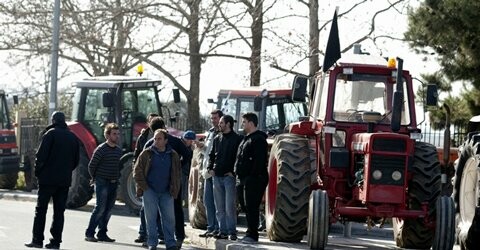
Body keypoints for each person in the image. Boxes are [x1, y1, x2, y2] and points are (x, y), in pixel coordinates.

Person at [25, 111, 80, 249]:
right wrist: (66, 172)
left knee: (41, 210)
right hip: (64, 181)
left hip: (47, 180)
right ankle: (55, 242)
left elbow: (40, 156)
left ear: (53, 120)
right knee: (59, 212)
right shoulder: (73, 137)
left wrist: (38, 173)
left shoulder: (50, 134)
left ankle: (37, 240)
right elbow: (76, 161)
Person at [143, 117, 192, 248]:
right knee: (163, 213)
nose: (156, 140)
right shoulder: (151, 145)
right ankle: (165, 238)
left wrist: (176, 168)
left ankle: (170, 239)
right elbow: (140, 165)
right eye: (155, 136)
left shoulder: (172, 143)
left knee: (165, 214)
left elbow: (187, 155)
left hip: (170, 185)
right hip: (158, 185)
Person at [134, 129, 181, 250]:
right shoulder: (147, 153)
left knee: (169, 219)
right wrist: (144, 187)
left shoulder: (173, 155)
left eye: (159, 138)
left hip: (167, 192)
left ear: (166, 140)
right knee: (150, 219)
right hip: (150, 191)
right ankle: (152, 243)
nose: (156, 141)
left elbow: (177, 173)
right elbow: (137, 171)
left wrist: (174, 188)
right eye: (155, 138)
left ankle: (170, 243)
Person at [84, 123, 122, 243]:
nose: (117, 136)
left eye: (118, 134)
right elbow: (91, 166)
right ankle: (90, 233)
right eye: (114, 134)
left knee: (108, 209)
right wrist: (94, 178)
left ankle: (102, 233)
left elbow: (118, 167)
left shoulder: (118, 151)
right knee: (100, 208)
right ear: (107, 135)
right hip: (102, 182)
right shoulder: (101, 149)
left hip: (113, 182)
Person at [234, 112, 269, 244]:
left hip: (254, 179)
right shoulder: (246, 138)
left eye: (244, 122)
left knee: (252, 206)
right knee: (245, 206)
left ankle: (252, 234)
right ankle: (250, 231)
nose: (242, 124)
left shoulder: (258, 139)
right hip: (243, 178)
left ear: (250, 123)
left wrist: (251, 176)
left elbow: (259, 161)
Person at [209, 115, 242, 240]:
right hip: (216, 177)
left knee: (230, 207)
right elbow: (212, 155)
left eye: (221, 122)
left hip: (229, 178)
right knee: (219, 207)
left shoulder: (238, 139)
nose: (219, 124)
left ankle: (231, 232)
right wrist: (210, 168)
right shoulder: (217, 138)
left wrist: (234, 172)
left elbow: (240, 158)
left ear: (228, 124)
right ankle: (222, 231)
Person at [198, 109, 223, 238]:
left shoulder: (223, 134)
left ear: (221, 119)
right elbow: (208, 153)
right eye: (211, 118)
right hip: (207, 172)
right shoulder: (210, 133)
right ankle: (211, 227)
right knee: (207, 201)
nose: (213, 120)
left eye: (215, 118)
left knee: (217, 202)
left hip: (216, 173)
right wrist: (201, 147)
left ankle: (219, 228)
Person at [180, 130, 196, 205]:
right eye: (190, 140)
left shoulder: (191, 148)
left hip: (188, 171)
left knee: (187, 187)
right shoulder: (181, 146)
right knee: (181, 186)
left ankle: (186, 201)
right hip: (182, 170)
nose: (191, 142)